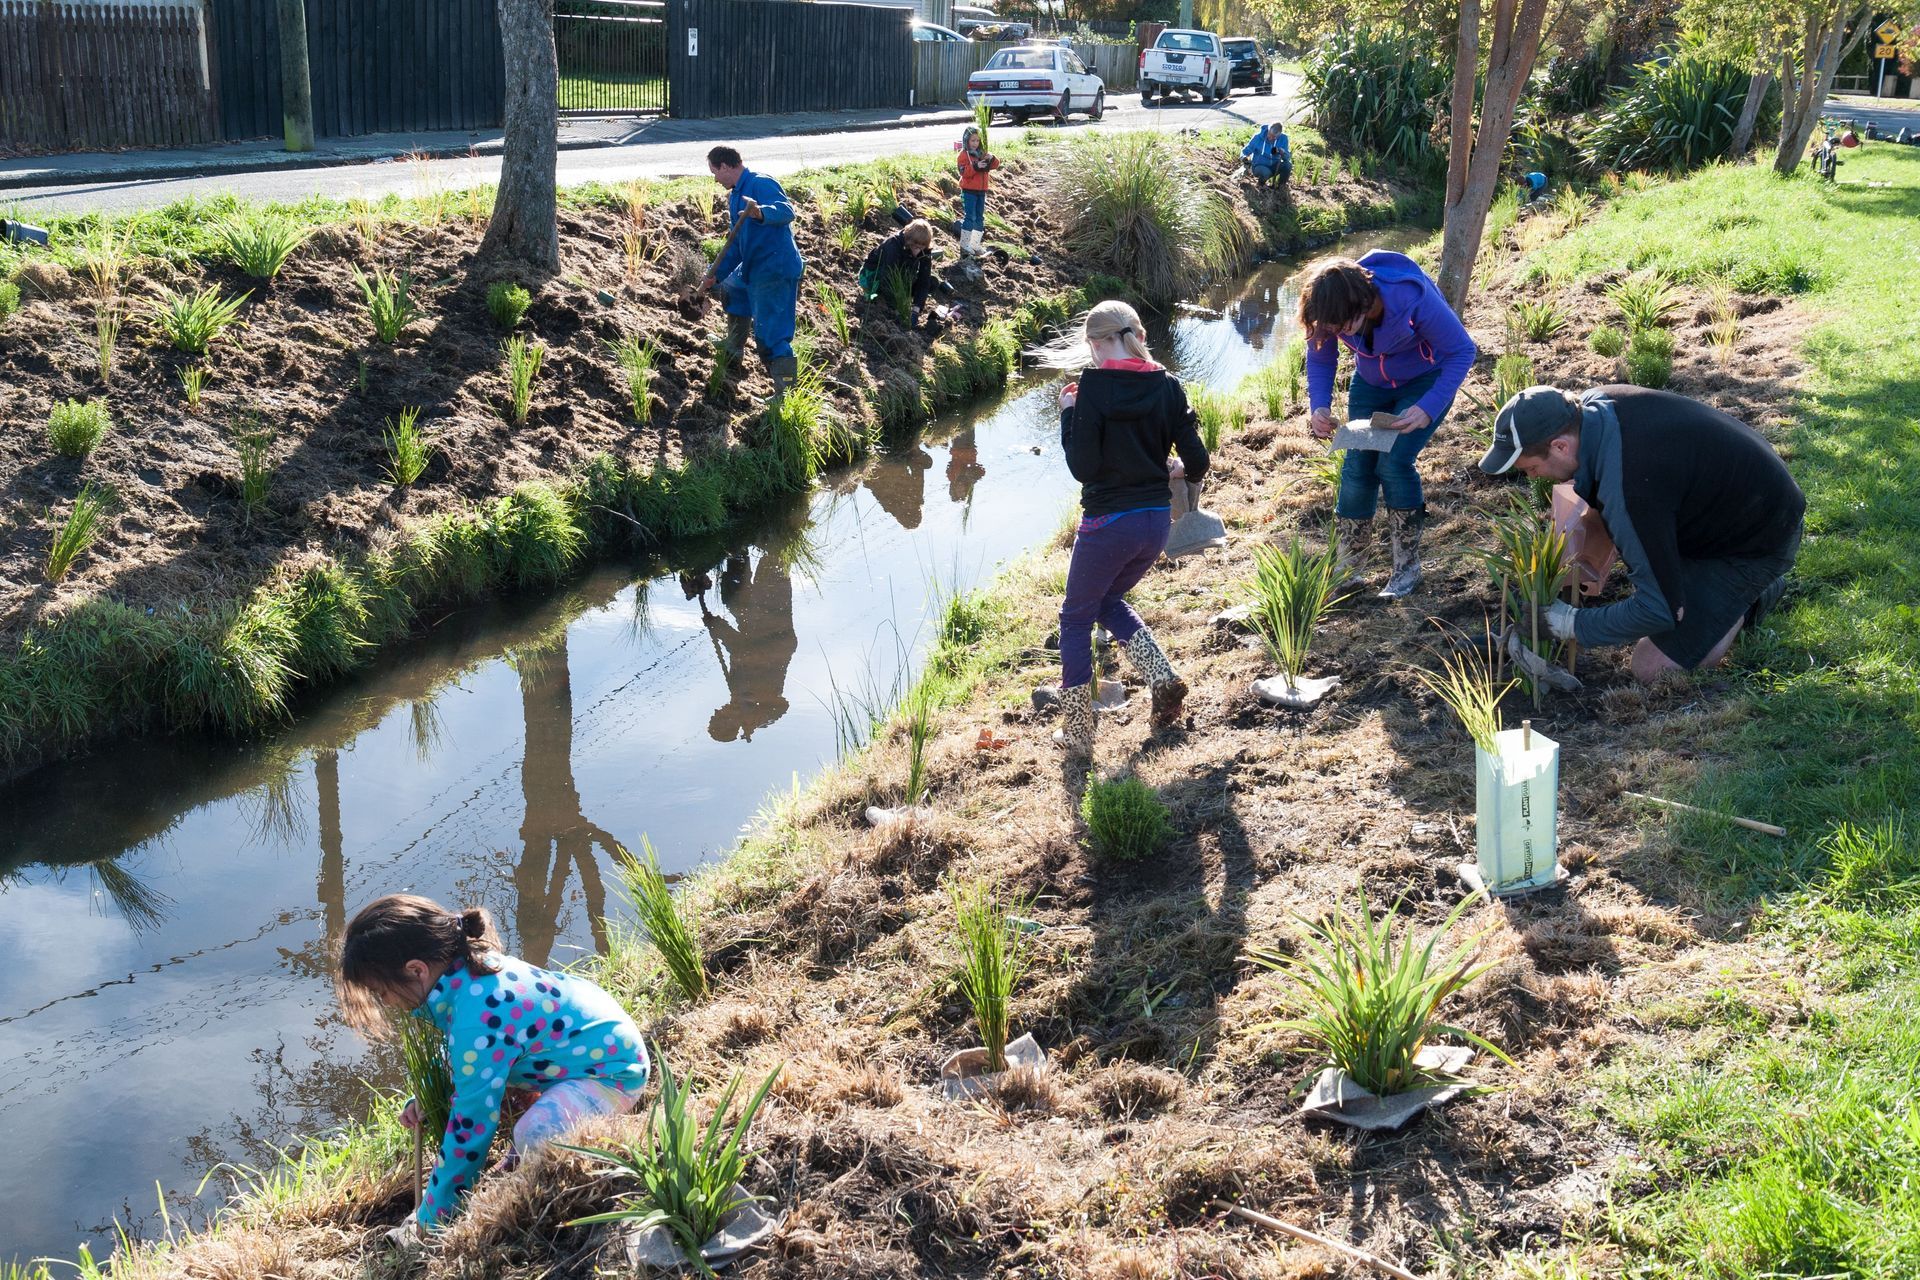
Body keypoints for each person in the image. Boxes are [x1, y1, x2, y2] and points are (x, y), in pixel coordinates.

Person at [337, 894, 649, 1238]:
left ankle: (521, 1165)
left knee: (535, 1134)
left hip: (613, 1074)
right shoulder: (471, 971)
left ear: (416, 970)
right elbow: (462, 1053)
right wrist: (429, 1094)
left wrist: (431, 1219)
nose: (387, 1002)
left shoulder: (477, 1015)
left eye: (382, 992)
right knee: (516, 1115)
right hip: (584, 1049)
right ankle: (524, 1143)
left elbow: (470, 1127)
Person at [1479, 384, 1804, 684]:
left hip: (1756, 540)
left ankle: (1749, 598)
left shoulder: (1631, 488)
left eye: (1531, 468)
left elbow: (1659, 609)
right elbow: (1598, 502)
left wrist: (1569, 624)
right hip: (1725, 504)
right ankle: (1716, 592)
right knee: (1602, 516)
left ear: (1560, 446)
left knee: (1651, 667)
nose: (1535, 477)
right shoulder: (1592, 410)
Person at [1041, 300, 1209, 756]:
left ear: (1097, 344)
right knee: (1109, 601)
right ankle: (1162, 677)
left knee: (1075, 619)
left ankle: (1077, 734)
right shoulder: (1168, 384)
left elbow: (1083, 467)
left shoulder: (1092, 389)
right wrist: (1171, 472)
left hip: (1107, 525)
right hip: (1154, 524)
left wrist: (1068, 414)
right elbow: (1198, 461)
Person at [1299, 252, 1477, 598]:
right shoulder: (1330, 305)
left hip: (1426, 380)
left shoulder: (1410, 296)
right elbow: (1321, 352)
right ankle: (1349, 571)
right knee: (1357, 467)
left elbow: (1462, 350)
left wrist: (1427, 408)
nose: (1336, 332)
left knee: (1394, 463)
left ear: (1362, 303)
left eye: (1341, 326)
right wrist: (1318, 405)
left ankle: (1406, 569)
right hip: (1371, 385)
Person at [699, 145, 805, 398]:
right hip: (752, 266)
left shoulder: (760, 183)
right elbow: (736, 243)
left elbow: (787, 211)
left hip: (774, 269)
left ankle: (786, 394)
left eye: (715, 172)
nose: (715, 178)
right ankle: (734, 349)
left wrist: (760, 213)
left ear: (725, 166)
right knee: (732, 289)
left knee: (771, 333)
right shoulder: (734, 196)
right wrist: (717, 273)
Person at [860, 218, 936, 323]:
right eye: (916, 247)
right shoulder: (893, 245)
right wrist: (896, 305)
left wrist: (916, 310)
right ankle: (880, 299)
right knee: (885, 296)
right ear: (909, 241)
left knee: (931, 283)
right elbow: (887, 275)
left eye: (921, 248)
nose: (918, 251)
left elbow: (924, 280)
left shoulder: (924, 251)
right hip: (875, 275)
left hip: (901, 275)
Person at [956, 125, 1000, 260]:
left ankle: (975, 245)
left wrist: (991, 157)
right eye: (972, 141)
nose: (975, 143)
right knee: (970, 217)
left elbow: (995, 165)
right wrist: (975, 166)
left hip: (981, 190)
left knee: (980, 218)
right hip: (969, 191)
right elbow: (963, 172)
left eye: (977, 141)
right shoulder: (963, 155)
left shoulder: (982, 153)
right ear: (966, 141)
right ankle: (964, 245)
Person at [1240, 122, 1292, 186]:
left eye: (1274, 137)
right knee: (1265, 173)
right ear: (1268, 130)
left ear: (1279, 135)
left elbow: (1287, 158)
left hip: (1274, 166)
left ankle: (1281, 187)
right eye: (1269, 135)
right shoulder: (1258, 137)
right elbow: (1245, 151)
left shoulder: (1283, 139)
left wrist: (1283, 152)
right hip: (1259, 166)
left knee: (1287, 165)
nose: (1270, 138)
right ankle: (1261, 185)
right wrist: (1244, 157)